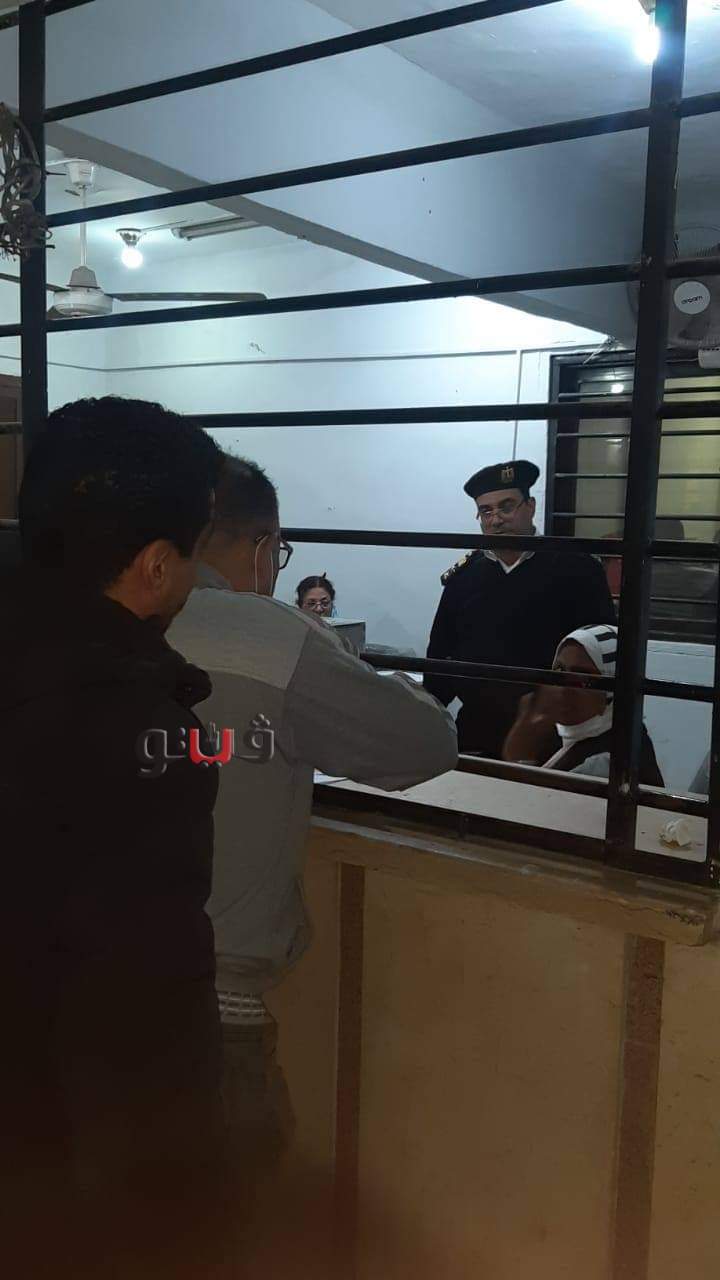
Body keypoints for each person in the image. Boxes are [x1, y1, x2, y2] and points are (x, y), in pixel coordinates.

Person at [168, 455, 458, 1171]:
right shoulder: (268, 634)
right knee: (219, 1212)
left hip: (68, 981)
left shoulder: (99, 616)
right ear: (264, 546)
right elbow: (425, 744)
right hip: (208, 1012)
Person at [0, 397, 231, 1279]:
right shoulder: (136, 735)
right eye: (197, 551)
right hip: (70, 1169)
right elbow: (142, 1011)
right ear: (157, 564)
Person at [425, 459, 616, 758]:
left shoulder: (576, 569)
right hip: (477, 729)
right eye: (486, 511)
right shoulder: (463, 579)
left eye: (507, 506)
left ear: (531, 506)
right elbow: (440, 658)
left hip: (553, 734)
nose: (496, 520)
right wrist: (425, 720)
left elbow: (603, 655)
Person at [504, 623, 664, 785]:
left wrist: (521, 749)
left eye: (582, 678)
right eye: (560, 671)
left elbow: (524, 797)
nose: (564, 688)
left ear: (613, 691)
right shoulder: (585, 735)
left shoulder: (602, 763)